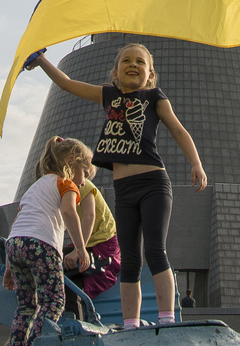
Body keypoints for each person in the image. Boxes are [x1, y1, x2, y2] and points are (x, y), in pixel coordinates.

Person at [26, 42, 207, 328]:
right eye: (126, 61)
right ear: (115, 71)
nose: (133, 65)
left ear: (150, 74)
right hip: (123, 190)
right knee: (130, 259)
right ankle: (131, 323)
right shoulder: (108, 95)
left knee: (155, 251)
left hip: (153, 183)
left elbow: (178, 129)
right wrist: (42, 60)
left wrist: (196, 163)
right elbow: (68, 83)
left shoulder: (154, 97)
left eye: (140, 62)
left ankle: (167, 318)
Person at [3, 136, 90, 345]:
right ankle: (37, 342)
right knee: (54, 301)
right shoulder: (66, 183)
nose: (84, 181)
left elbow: (16, 226)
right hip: (42, 245)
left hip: (15, 246)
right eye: (85, 173)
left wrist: (8, 268)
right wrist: (81, 248)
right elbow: (69, 212)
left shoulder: (33, 188)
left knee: (26, 306)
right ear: (72, 161)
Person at [59, 143, 121, 312]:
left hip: (103, 246)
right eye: (84, 173)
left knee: (73, 285)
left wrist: (79, 250)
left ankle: (75, 317)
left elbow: (89, 216)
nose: (84, 179)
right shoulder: (65, 188)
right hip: (87, 244)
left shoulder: (85, 186)